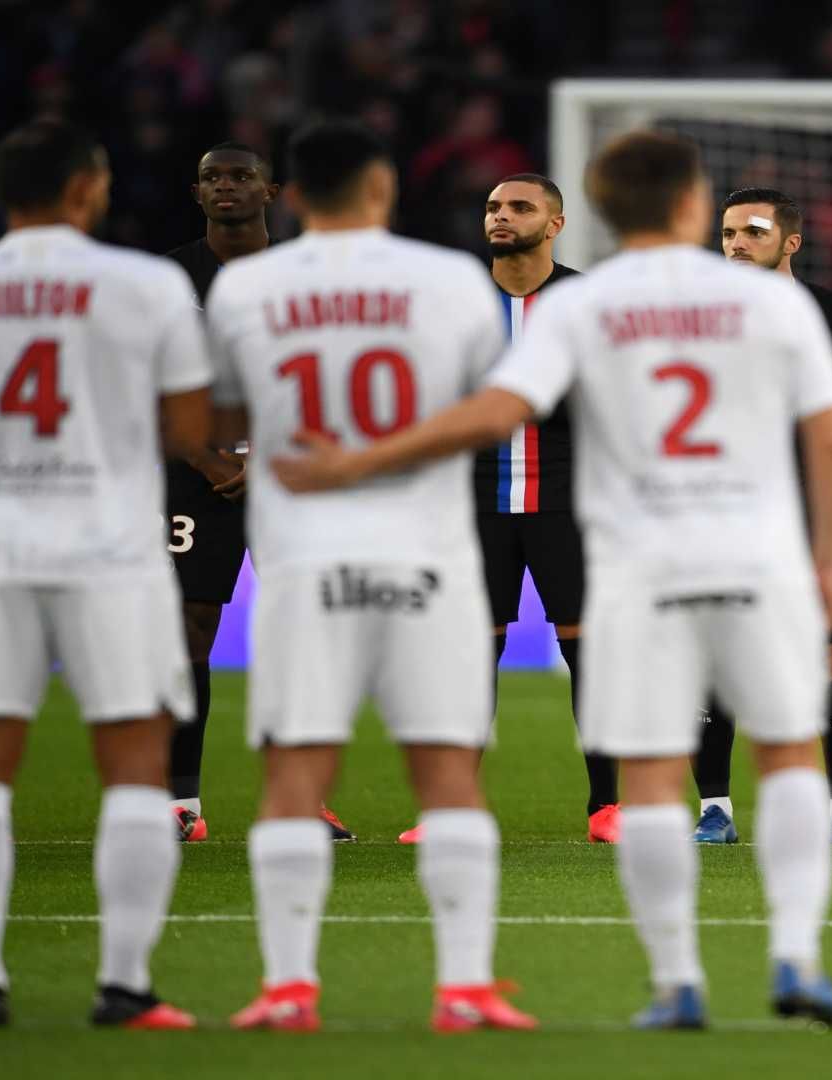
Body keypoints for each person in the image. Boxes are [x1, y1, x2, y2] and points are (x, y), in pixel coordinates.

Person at [271, 130, 832, 1030]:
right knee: (786, 757)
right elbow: (830, 436)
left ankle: (677, 983)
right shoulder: (770, 304)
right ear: (694, 207)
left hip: (638, 565)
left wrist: (362, 460)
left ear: (593, 209)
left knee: (655, 777)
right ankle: (796, 960)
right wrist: (827, 556)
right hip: (758, 554)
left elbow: (498, 411)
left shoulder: (585, 309)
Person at [209, 121, 533, 1032]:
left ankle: (286, 989)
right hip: (428, 557)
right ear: (384, 187)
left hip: (304, 557)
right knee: (447, 776)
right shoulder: (449, 283)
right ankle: (465, 988)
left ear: (296, 196)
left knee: (294, 774)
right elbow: (490, 412)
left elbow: (220, 410)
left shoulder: (244, 286)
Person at [0, 120, 210, 1029]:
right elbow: (189, 429)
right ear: (87, 187)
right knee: (132, 768)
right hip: (112, 548)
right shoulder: (146, 283)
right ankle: (124, 984)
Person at [396, 172, 619, 846]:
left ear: (554, 224)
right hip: (474, 505)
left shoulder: (587, 302)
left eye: (520, 207)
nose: (501, 217)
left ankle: (609, 807)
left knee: (592, 655)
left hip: (567, 503)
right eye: (493, 206)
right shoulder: (454, 303)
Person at [162, 141, 353, 844]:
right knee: (186, 632)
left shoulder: (310, 277)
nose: (227, 187)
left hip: (292, 476)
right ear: (198, 192)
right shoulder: (166, 277)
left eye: (241, 176)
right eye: (212, 177)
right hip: (190, 474)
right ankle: (180, 803)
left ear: (271, 192)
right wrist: (212, 462)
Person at [693, 186, 832, 846]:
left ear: (791, 241)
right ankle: (713, 811)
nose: (736, 244)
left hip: (809, 515)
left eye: (752, 231)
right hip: (719, 513)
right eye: (727, 234)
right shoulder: (700, 319)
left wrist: (824, 481)